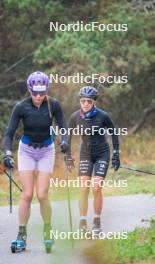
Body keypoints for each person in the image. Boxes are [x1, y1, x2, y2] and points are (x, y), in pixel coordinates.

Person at [3, 71, 68, 253]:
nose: (38, 97)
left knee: (42, 194)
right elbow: (9, 134)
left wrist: (64, 141)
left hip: (46, 151)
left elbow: (63, 127)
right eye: (35, 93)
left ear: (46, 90)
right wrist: (8, 154)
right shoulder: (21, 107)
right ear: (29, 90)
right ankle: (21, 235)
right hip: (26, 151)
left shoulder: (54, 105)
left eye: (42, 92)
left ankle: (48, 230)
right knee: (27, 194)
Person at [65, 86, 120, 236]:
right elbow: (67, 136)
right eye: (83, 101)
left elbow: (114, 134)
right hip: (86, 153)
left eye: (89, 101)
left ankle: (96, 221)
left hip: (102, 153)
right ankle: (82, 222)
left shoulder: (103, 116)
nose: (85, 104)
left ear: (94, 102)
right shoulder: (75, 117)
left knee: (96, 187)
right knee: (83, 188)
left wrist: (116, 154)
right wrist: (67, 156)